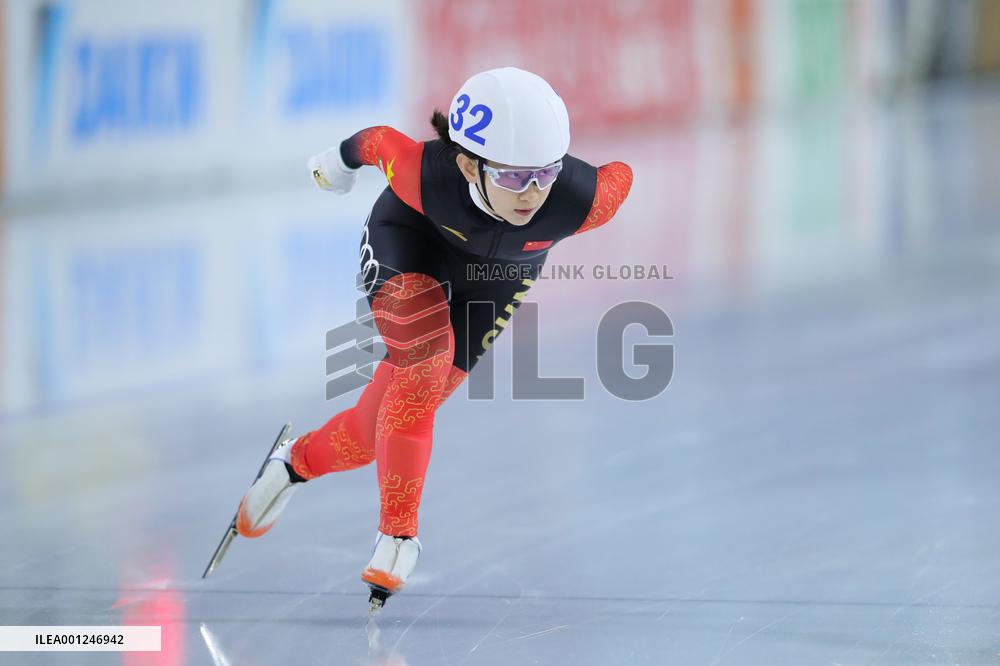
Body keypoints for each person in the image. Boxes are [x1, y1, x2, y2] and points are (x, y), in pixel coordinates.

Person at [235, 67, 633, 610]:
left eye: (544, 174)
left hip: (498, 282)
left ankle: (294, 462)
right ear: (468, 163)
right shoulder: (424, 174)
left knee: (370, 434)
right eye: (515, 178)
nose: (533, 194)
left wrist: (552, 175)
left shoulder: (582, 198)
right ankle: (398, 534)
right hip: (409, 246)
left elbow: (622, 175)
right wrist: (335, 162)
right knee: (423, 364)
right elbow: (375, 142)